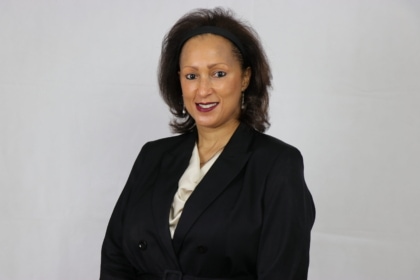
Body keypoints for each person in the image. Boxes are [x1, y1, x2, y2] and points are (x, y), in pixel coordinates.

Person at [100, 7, 315, 280]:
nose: (203, 90)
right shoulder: (152, 156)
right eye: (191, 76)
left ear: (245, 77)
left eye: (218, 74)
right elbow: (115, 258)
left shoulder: (277, 164)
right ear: (178, 80)